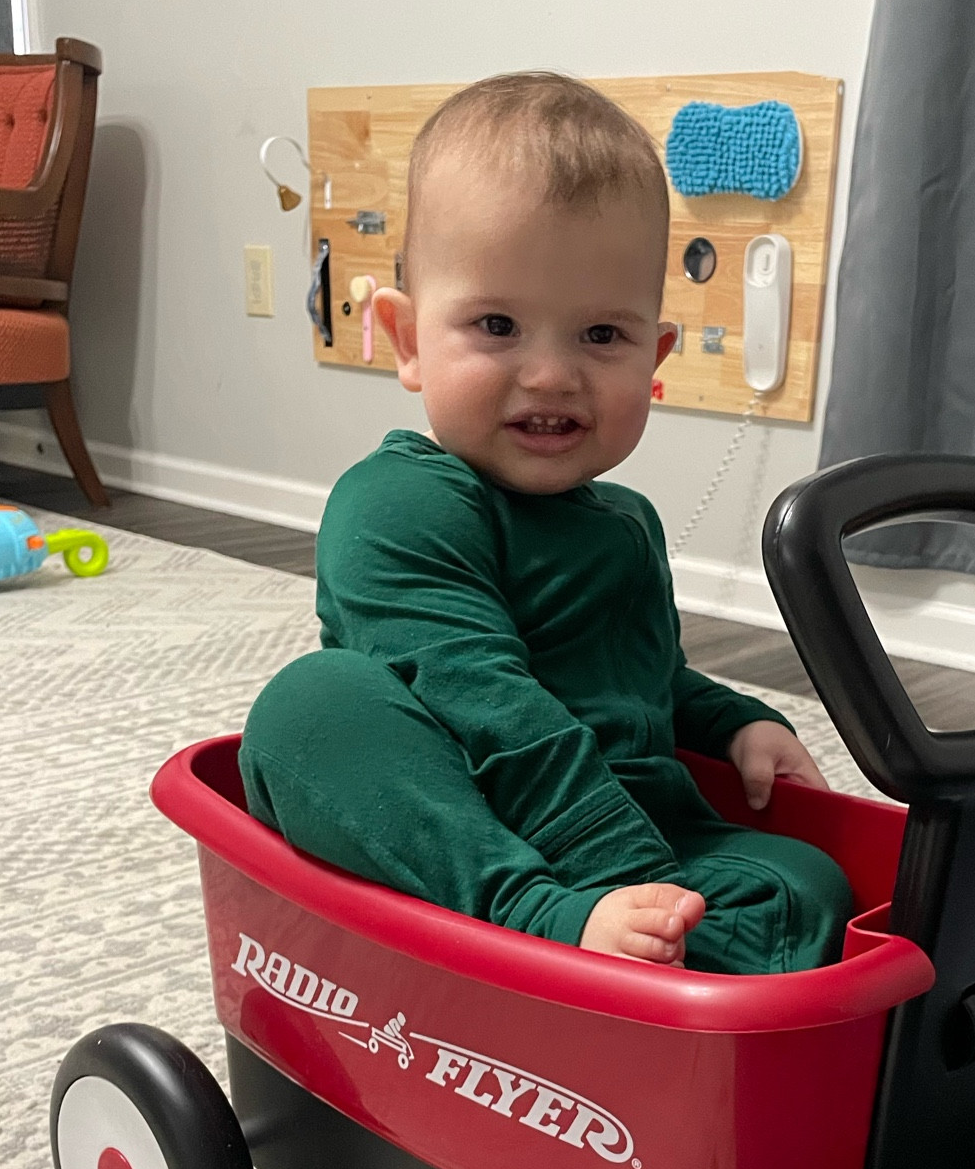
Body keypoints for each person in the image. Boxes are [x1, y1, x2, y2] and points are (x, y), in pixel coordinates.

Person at [239, 73, 852, 973]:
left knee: (812, 882)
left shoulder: (627, 524)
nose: (553, 375)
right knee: (312, 709)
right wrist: (621, 878)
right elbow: (484, 700)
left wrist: (733, 723)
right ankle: (532, 923)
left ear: (655, 358)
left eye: (601, 336)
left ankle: (664, 957)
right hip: (474, 827)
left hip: (631, 826)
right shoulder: (396, 504)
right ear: (408, 342)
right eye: (497, 325)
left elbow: (641, 684)